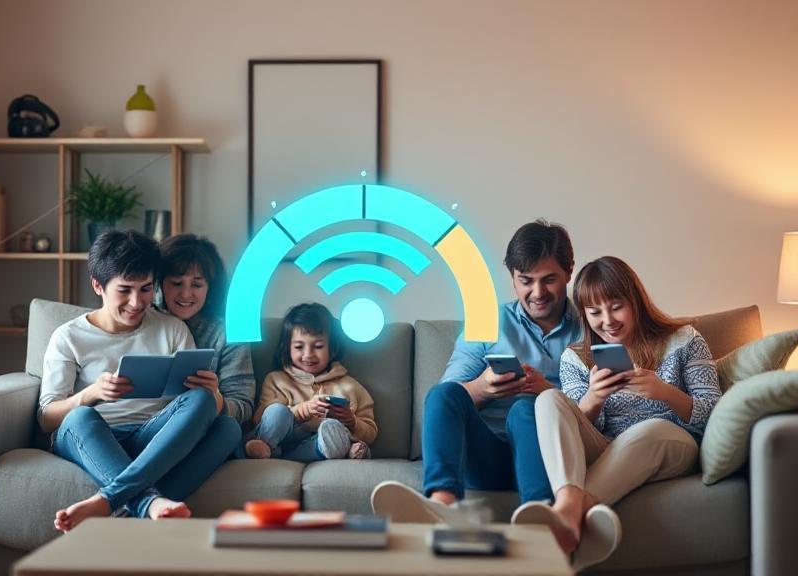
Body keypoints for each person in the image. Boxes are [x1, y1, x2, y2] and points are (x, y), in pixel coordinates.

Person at [371, 219, 581, 524]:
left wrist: (548, 393)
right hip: (486, 457)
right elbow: (450, 396)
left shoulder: (590, 326)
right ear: (512, 276)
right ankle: (442, 504)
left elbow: (601, 409)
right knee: (442, 394)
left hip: (551, 455)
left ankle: (540, 513)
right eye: (526, 280)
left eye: (549, 280)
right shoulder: (488, 322)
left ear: (569, 272)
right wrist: (484, 388)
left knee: (526, 408)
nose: (537, 292)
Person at [525, 256, 721, 571]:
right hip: (606, 447)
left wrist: (666, 393)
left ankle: (569, 515)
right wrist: (593, 399)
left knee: (650, 429)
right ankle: (569, 506)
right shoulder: (576, 358)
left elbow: (713, 411)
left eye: (616, 307)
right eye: (594, 312)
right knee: (548, 399)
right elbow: (573, 429)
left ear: (636, 301)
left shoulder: (685, 339)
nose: (607, 321)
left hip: (669, 442)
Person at [38, 230, 241, 532]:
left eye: (146, 289)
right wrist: (91, 394)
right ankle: (146, 504)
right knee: (80, 417)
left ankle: (119, 503)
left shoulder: (172, 329)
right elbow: (46, 419)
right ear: (98, 285)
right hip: (94, 437)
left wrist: (209, 394)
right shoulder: (68, 337)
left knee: (225, 425)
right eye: (125, 290)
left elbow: (191, 408)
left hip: (152, 441)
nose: (136, 302)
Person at [246, 303, 377, 462]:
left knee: (333, 430)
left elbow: (371, 432)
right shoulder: (276, 380)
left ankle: (335, 448)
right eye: (299, 347)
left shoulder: (351, 387)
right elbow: (260, 419)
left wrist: (353, 422)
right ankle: (263, 448)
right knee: (277, 411)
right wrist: (303, 410)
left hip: (316, 447)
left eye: (318, 346)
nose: (308, 354)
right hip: (277, 442)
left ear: (332, 348)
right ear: (287, 348)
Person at [157, 234, 256, 426]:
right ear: (160, 284)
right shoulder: (145, 322)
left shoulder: (227, 333)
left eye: (197, 284)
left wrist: (214, 398)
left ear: (210, 288)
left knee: (228, 429)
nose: (186, 294)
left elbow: (243, 407)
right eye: (176, 283)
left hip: (206, 427)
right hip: (149, 425)